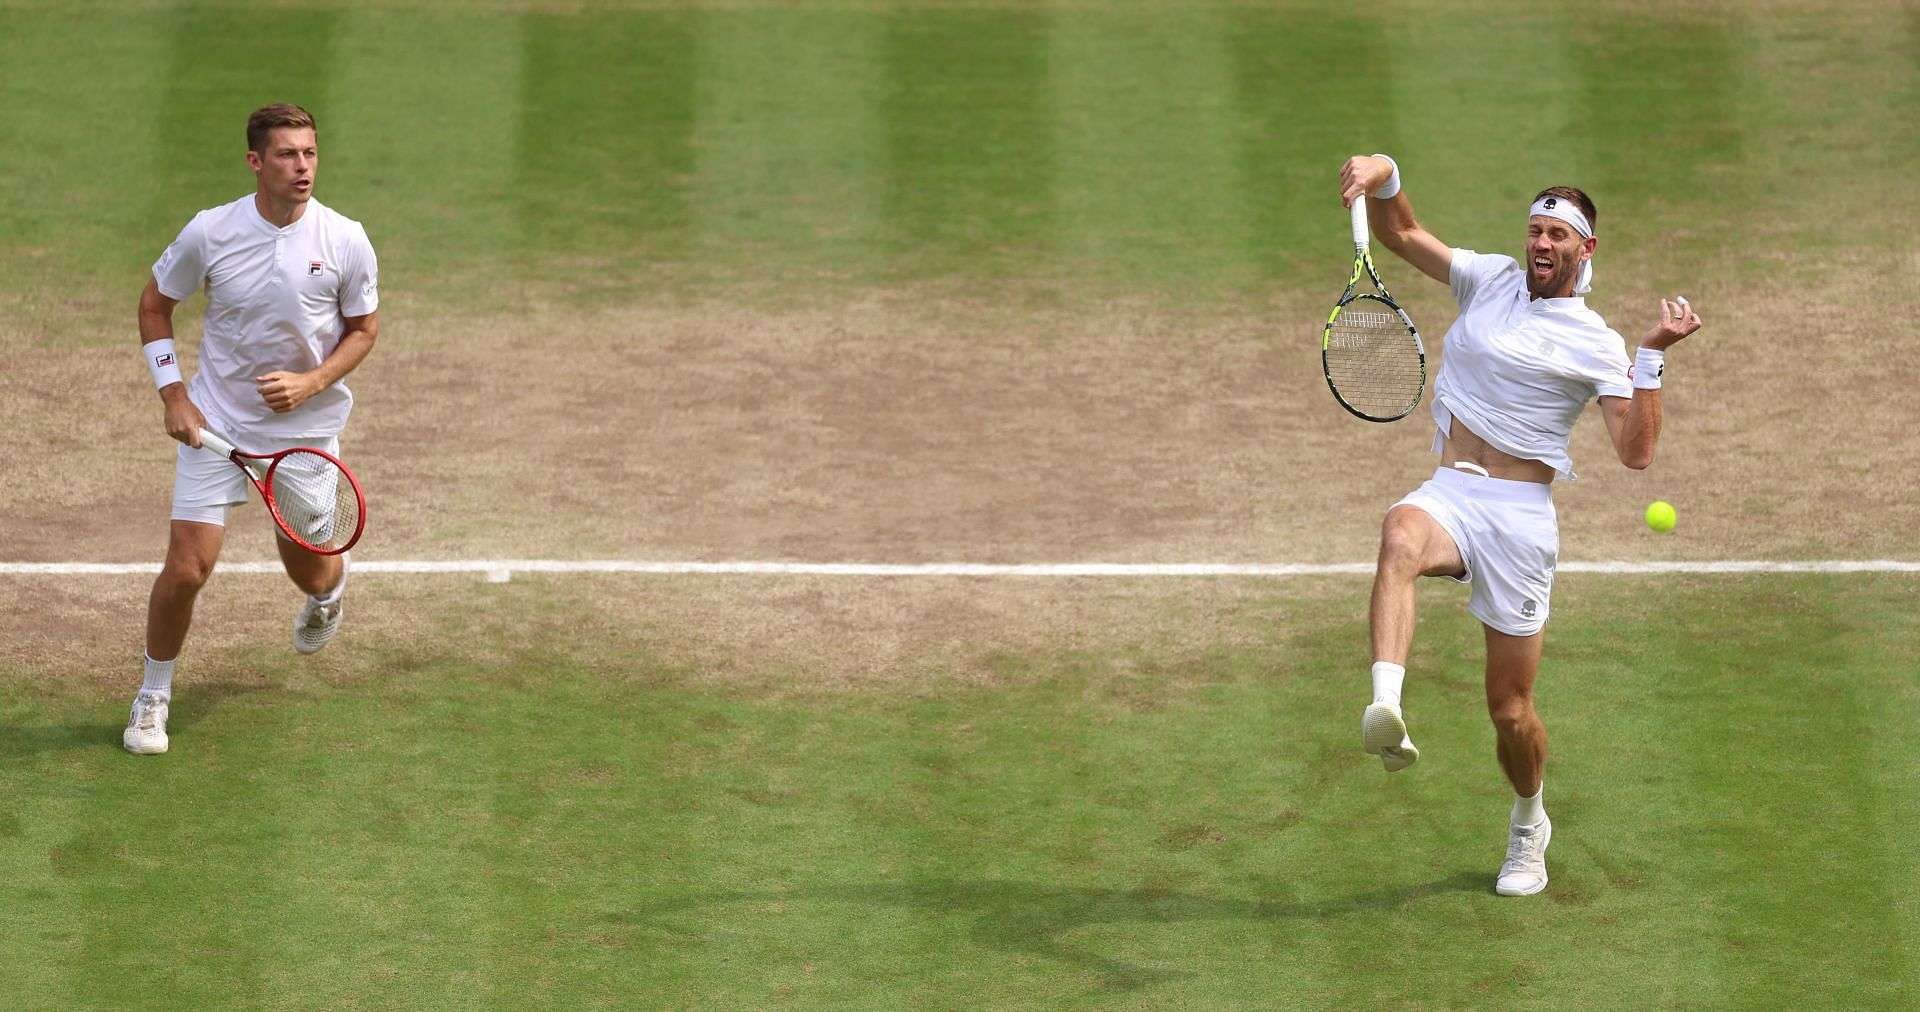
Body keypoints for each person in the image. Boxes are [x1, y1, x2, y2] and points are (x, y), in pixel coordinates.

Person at [1336, 153, 1702, 895]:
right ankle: (1386, 705)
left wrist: (1651, 358)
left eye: (1555, 236)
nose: (1539, 244)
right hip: (1451, 491)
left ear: (1584, 250)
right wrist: (1389, 171)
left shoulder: (1594, 340)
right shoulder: (1492, 278)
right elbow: (1402, 234)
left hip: (1519, 520)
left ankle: (1529, 821)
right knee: (1400, 533)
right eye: (1534, 230)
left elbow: (1636, 454)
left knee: (1509, 710)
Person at [127, 103, 379, 755]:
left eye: (311, 154)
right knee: (187, 568)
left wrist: (312, 382)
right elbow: (155, 306)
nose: (304, 166)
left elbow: (364, 331)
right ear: (256, 162)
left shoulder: (345, 238)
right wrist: (174, 394)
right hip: (216, 426)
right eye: (289, 154)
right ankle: (153, 696)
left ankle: (332, 590)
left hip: (302, 436)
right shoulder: (211, 233)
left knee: (311, 574)